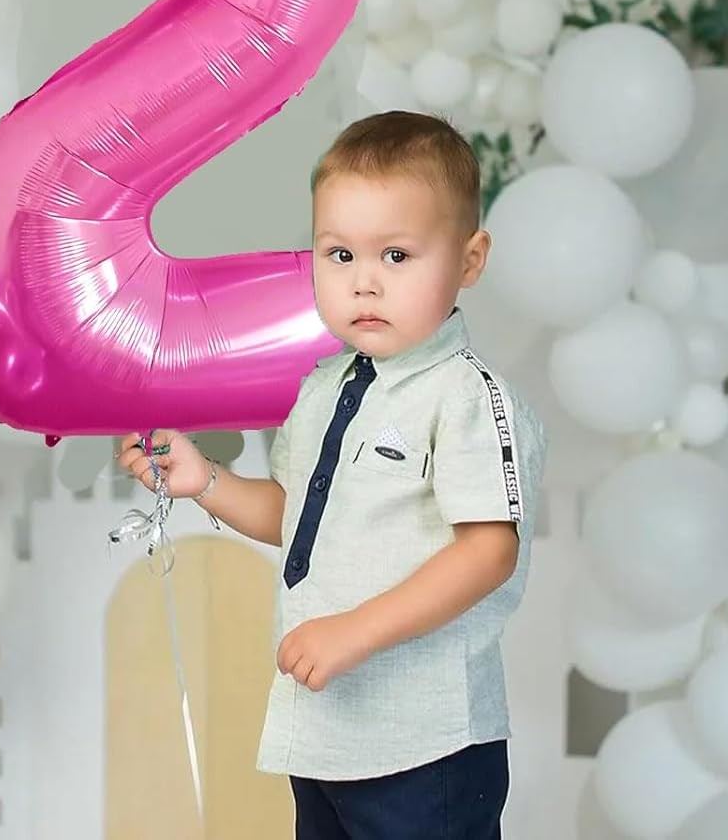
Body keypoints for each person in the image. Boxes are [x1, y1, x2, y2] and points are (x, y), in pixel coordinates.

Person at [118, 110, 546, 840]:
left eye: (397, 256)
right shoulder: (324, 388)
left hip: (423, 744)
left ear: (469, 260)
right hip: (326, 736)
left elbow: (488, 551)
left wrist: (354, 631)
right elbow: (295, 519)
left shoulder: (465, 397)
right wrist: (207, 480)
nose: (364, 283)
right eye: (340, 254)